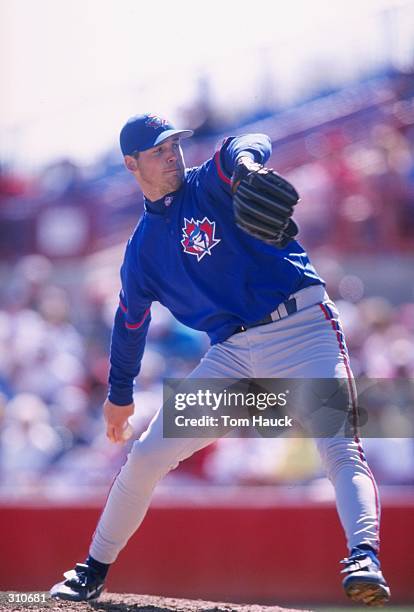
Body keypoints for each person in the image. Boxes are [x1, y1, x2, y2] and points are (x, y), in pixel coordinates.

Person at [50, 113, 390, 607]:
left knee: (340, 448)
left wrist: (249, 168)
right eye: (158, 151)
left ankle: (364, 556)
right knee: (145, 456)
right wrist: (119, 396)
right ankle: (92, 569)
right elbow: (130, 324)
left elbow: (244, 144)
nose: (173, 156)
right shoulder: (141, 252)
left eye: (174, 146)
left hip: (303, 329)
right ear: (131, 164)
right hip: (232, 357)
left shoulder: (210, 184)